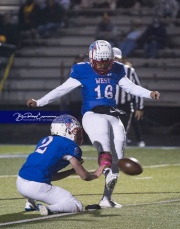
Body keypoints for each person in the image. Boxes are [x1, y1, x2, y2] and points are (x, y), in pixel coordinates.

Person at [27, 40, 160, 208]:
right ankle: (103, 160)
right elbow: (61, 89)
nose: (103, 66)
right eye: (100, 62)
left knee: (117, 158)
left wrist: (150, 93)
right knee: (105, 150)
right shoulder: (82, 70)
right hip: (92, 114)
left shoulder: (117, 69)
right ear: (91, 58)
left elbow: (131, 87)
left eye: (106, 62)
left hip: (112, 115)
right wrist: (39, 102)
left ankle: (106, 198)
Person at [16, 114, 106, 216]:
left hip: (20, 182)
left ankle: (30, 203)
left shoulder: (45, 140)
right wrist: (96, 174)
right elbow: (84, 176)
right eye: (75, 131)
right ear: (65, 130)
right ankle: (48, 209)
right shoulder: (69, 146)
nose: (78, 134)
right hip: (36, 187)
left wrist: (72, 171)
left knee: (38, 175)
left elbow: (51, 176)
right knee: (76, 205)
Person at [113, 47, 145, 147]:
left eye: (116, 58)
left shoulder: (129, 70)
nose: (114, 61)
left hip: (124, 105)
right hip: (109, 105)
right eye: (112, 58)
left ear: (120, 59)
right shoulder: (102, 71)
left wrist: (139, 107)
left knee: (121, 132)